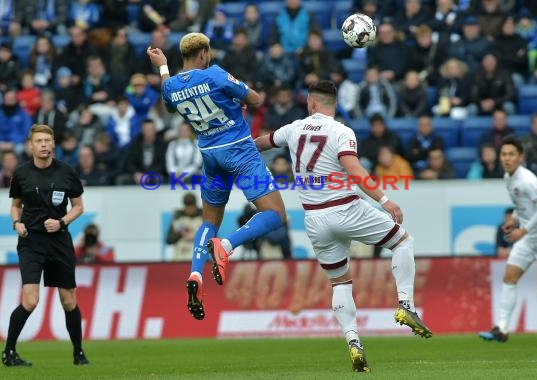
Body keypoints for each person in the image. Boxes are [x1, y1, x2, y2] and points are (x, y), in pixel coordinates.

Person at [254, 80, 432, 373]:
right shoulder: (340, 131)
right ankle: (406, 304)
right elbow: (354, 169)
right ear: (333, 104)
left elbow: (261, 143)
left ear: (311, 103)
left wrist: (233, 146)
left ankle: (353, 340)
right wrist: (385, 200)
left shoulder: (293, 128)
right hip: (346, 208)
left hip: (314, 218)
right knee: (402, 242)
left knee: (340, 282)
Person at [146, 33, 287, 321]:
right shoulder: (214, 74)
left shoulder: (171, 85)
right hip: (239, 151)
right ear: (203, 53)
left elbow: (170, 104)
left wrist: (162, 68)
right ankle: (228, 244)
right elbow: (256, 100)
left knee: (209, 220)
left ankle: (196, 272)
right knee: (275, 214)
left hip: (210, 156)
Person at [4, 124, 89, 366]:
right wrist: (16, 222)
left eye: (47, 141)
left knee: (69, 300)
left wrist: (62, 222)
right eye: (39, 141)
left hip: (59, 241)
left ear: (53, 144)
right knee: (30, 300)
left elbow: (79, 207)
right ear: (31, 145)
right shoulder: (21, 173)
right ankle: (9, 352)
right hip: (31, 241)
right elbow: (15, 205)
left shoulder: (66, 172)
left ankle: (78, 353)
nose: (43, 145)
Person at [478, 135, 537, 342]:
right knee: (509, 277)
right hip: (527, 240)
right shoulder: (508, 177)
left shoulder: (527, 180)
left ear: (521, 157)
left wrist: (522, 231)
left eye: (511, 155)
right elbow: (522, 206)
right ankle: (502, 329)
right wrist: (513, 219)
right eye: (504, 154)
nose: (506, 158)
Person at [166, 193, 203, 261]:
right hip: (180, 256)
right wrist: (181, 233)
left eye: (191, 207)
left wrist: (198, 236)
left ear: (195, 205)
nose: (190, 210)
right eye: (187, 207)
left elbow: (213, 239)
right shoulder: (178, 218)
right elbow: (169, 240)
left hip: (197, 255)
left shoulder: (203, 218)